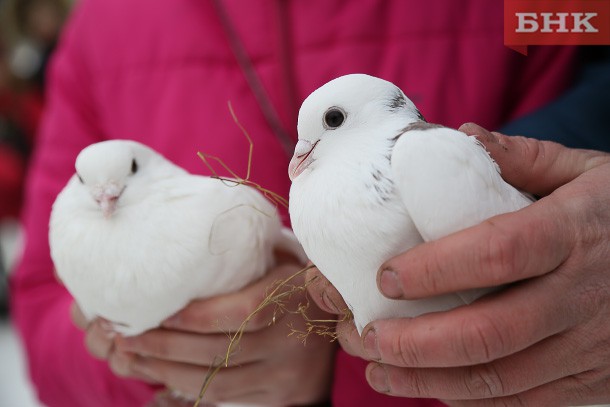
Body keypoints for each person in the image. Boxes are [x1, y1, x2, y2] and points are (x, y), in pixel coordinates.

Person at [10, 1, 608, 406]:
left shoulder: (525, 12)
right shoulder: (102, 28)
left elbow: (591, 26)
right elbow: (40, 301)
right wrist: (167, 367)